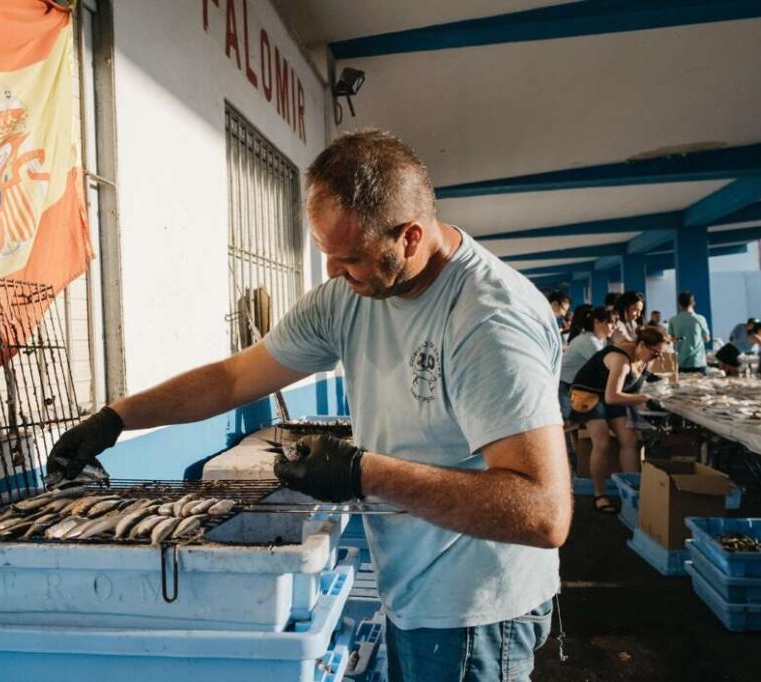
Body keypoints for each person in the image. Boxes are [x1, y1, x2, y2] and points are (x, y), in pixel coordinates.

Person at [46, 130, 571, 680]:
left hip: (475, 610)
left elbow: (542, 512)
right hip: (412, 589)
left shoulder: (489, 321)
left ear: (411, 237)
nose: (332, 274)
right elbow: (231, 379)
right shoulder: (348, 297)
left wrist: (363, 472)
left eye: (350, 258)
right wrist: (118, 418)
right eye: (326, 254)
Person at [569, 326, 669, 513]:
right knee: (602, 443)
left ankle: (632, 490)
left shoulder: (644, 358)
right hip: (588, 394)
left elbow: (630, 391)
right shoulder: (621, 359)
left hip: (610, 395)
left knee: (630, 440)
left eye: (661, 354)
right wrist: (644, 398)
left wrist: (650, 399)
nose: (658, 358)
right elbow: (612, 397)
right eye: (656, 353)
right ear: (642, 345)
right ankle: (599, 494)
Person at [559, 306, 618, 420]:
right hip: (568, 387)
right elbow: (605, 368)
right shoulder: (588, 340)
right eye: (610, 323)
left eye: (616, 323)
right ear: (596, 322)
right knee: (569, 422)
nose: (614, 327)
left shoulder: (602, 340)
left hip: (579, 386)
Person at [667, 291, 710, 374]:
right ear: (693, 303)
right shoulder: (700, 319)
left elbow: (670, 340)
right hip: (698, 362)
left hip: (680, 363)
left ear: (679, 304)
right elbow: (707, 339)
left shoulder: (673, 320)